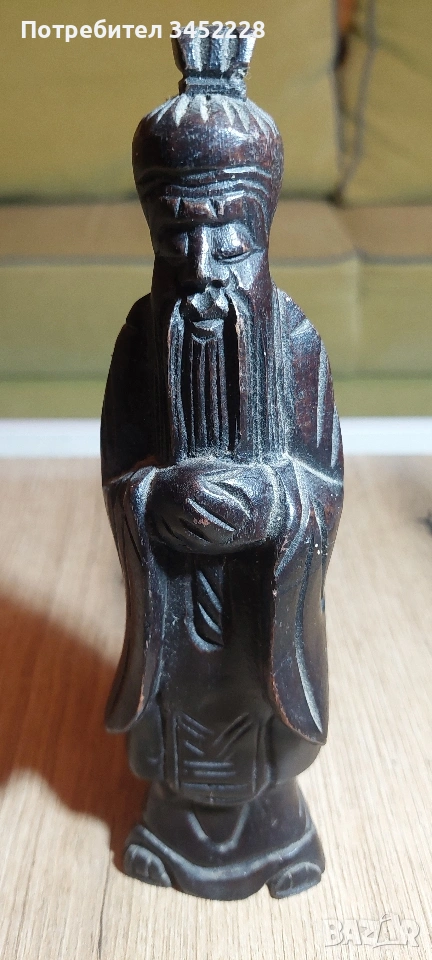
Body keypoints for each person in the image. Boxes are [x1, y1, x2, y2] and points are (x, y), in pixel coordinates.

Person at [101, 27, 343, 900]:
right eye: (176, 240)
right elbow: (118, 469)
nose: (202, 270)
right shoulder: (142, 338)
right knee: (177, 720)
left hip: (258, 603)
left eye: (230, 241)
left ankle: (275, 830)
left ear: (263, 230)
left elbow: (325, 481)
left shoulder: (296, 342)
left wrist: (276, 506)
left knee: (260, 715)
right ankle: (171, 829)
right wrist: (151, 499)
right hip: (176, 600)